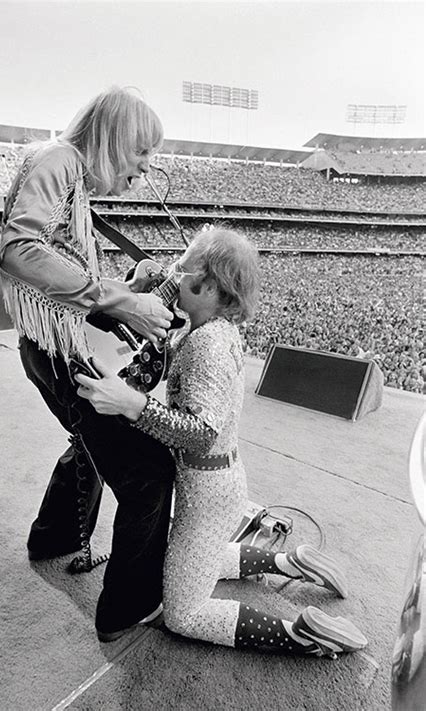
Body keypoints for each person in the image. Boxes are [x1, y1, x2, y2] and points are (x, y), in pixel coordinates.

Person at [75, 228, 368, 657]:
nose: (173, 273)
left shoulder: (206, 345)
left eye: (182, 267)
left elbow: (200, 429)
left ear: (209, 285)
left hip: (207, 492)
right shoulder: (213, 329)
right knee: (198, 555)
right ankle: (290, 563)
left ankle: (302, 634)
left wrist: (131, 404)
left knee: (183, 612)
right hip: (219, 485)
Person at [0, 86, 177, 639]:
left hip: (48, 346)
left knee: (87, 442)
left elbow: (68, 283)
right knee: (149, 472)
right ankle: (128, 605)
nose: (146, 167)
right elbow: (17, 250)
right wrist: (124, 301)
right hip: (58, 353)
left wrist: (129, 285)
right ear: (113, 139)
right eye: (141, 151)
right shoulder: (59, 161)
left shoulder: (69, 178)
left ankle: (52, 537)